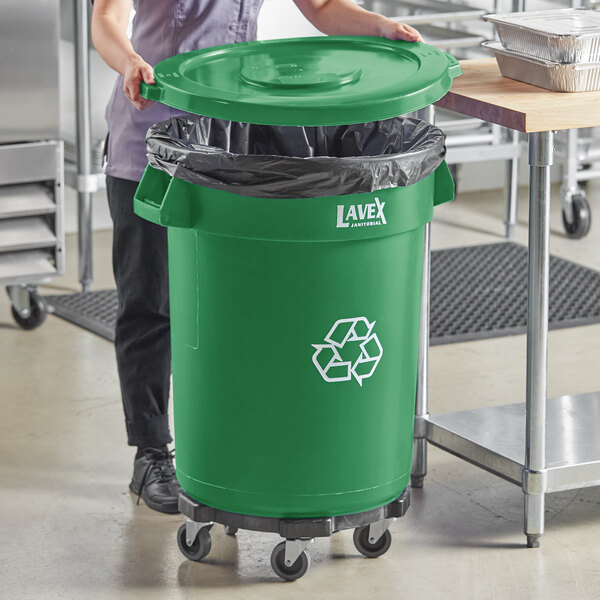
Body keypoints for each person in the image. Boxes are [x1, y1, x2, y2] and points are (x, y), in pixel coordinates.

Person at [91, 0, 422, 514]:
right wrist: (129, 61)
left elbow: (322, 5)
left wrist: (382, 29)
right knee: (150, 305)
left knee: (239, 306)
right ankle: (151, 453)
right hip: (151, 143)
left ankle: (234, 442)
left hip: (235, 141)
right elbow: (106, 18)